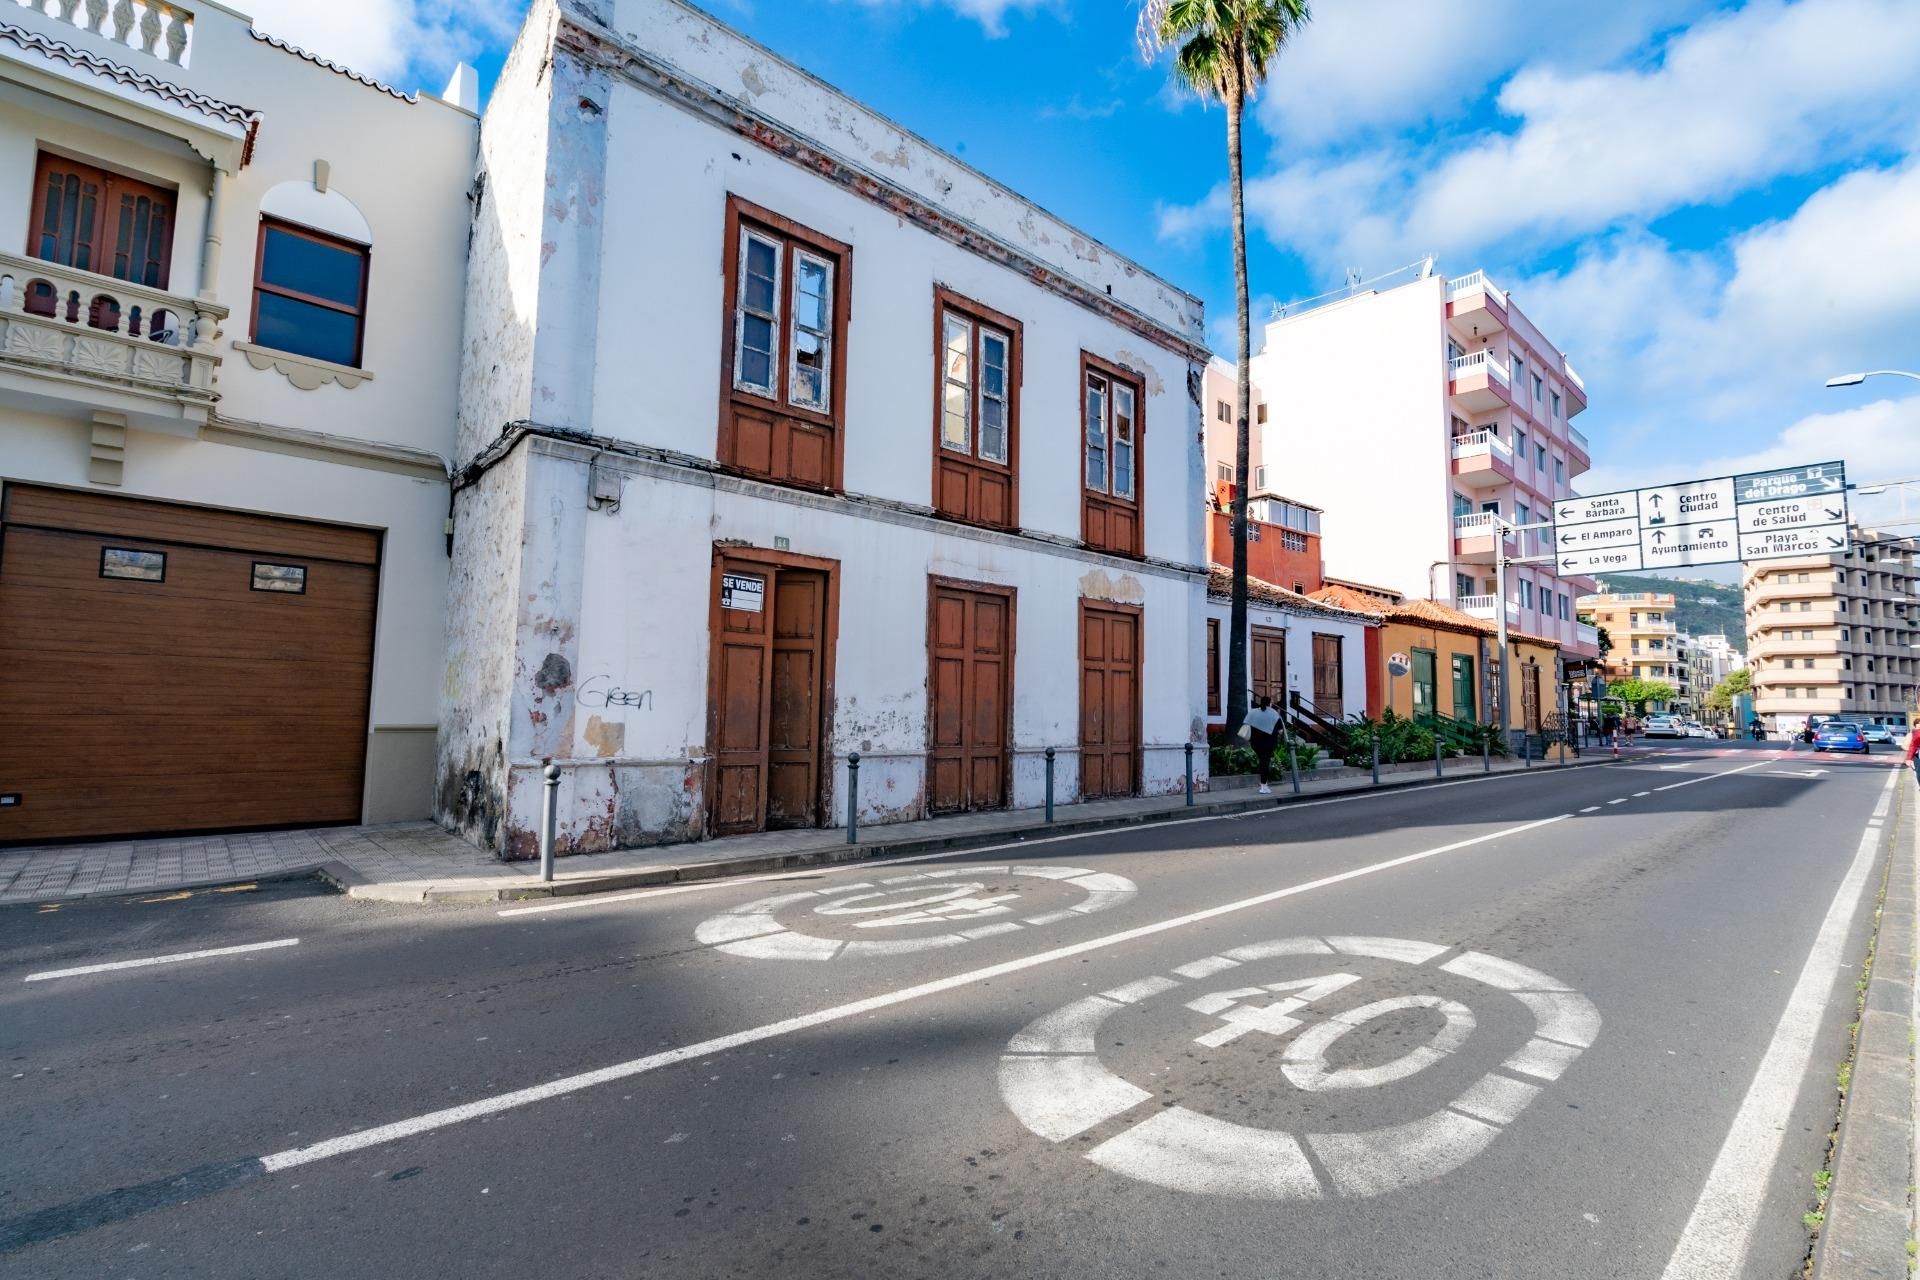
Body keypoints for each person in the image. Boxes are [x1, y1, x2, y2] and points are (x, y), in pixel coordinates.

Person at [1245, 695, 1282, 795]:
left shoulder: (1254, 712)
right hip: (1269, 743)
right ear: (1270, 703)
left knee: (1262, 761)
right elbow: (1280, 730)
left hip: (1256, 743)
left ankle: (1264, 784)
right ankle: (1263, 785)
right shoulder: (1274, 714)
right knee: (1265, 762)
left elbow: (1247, 724)